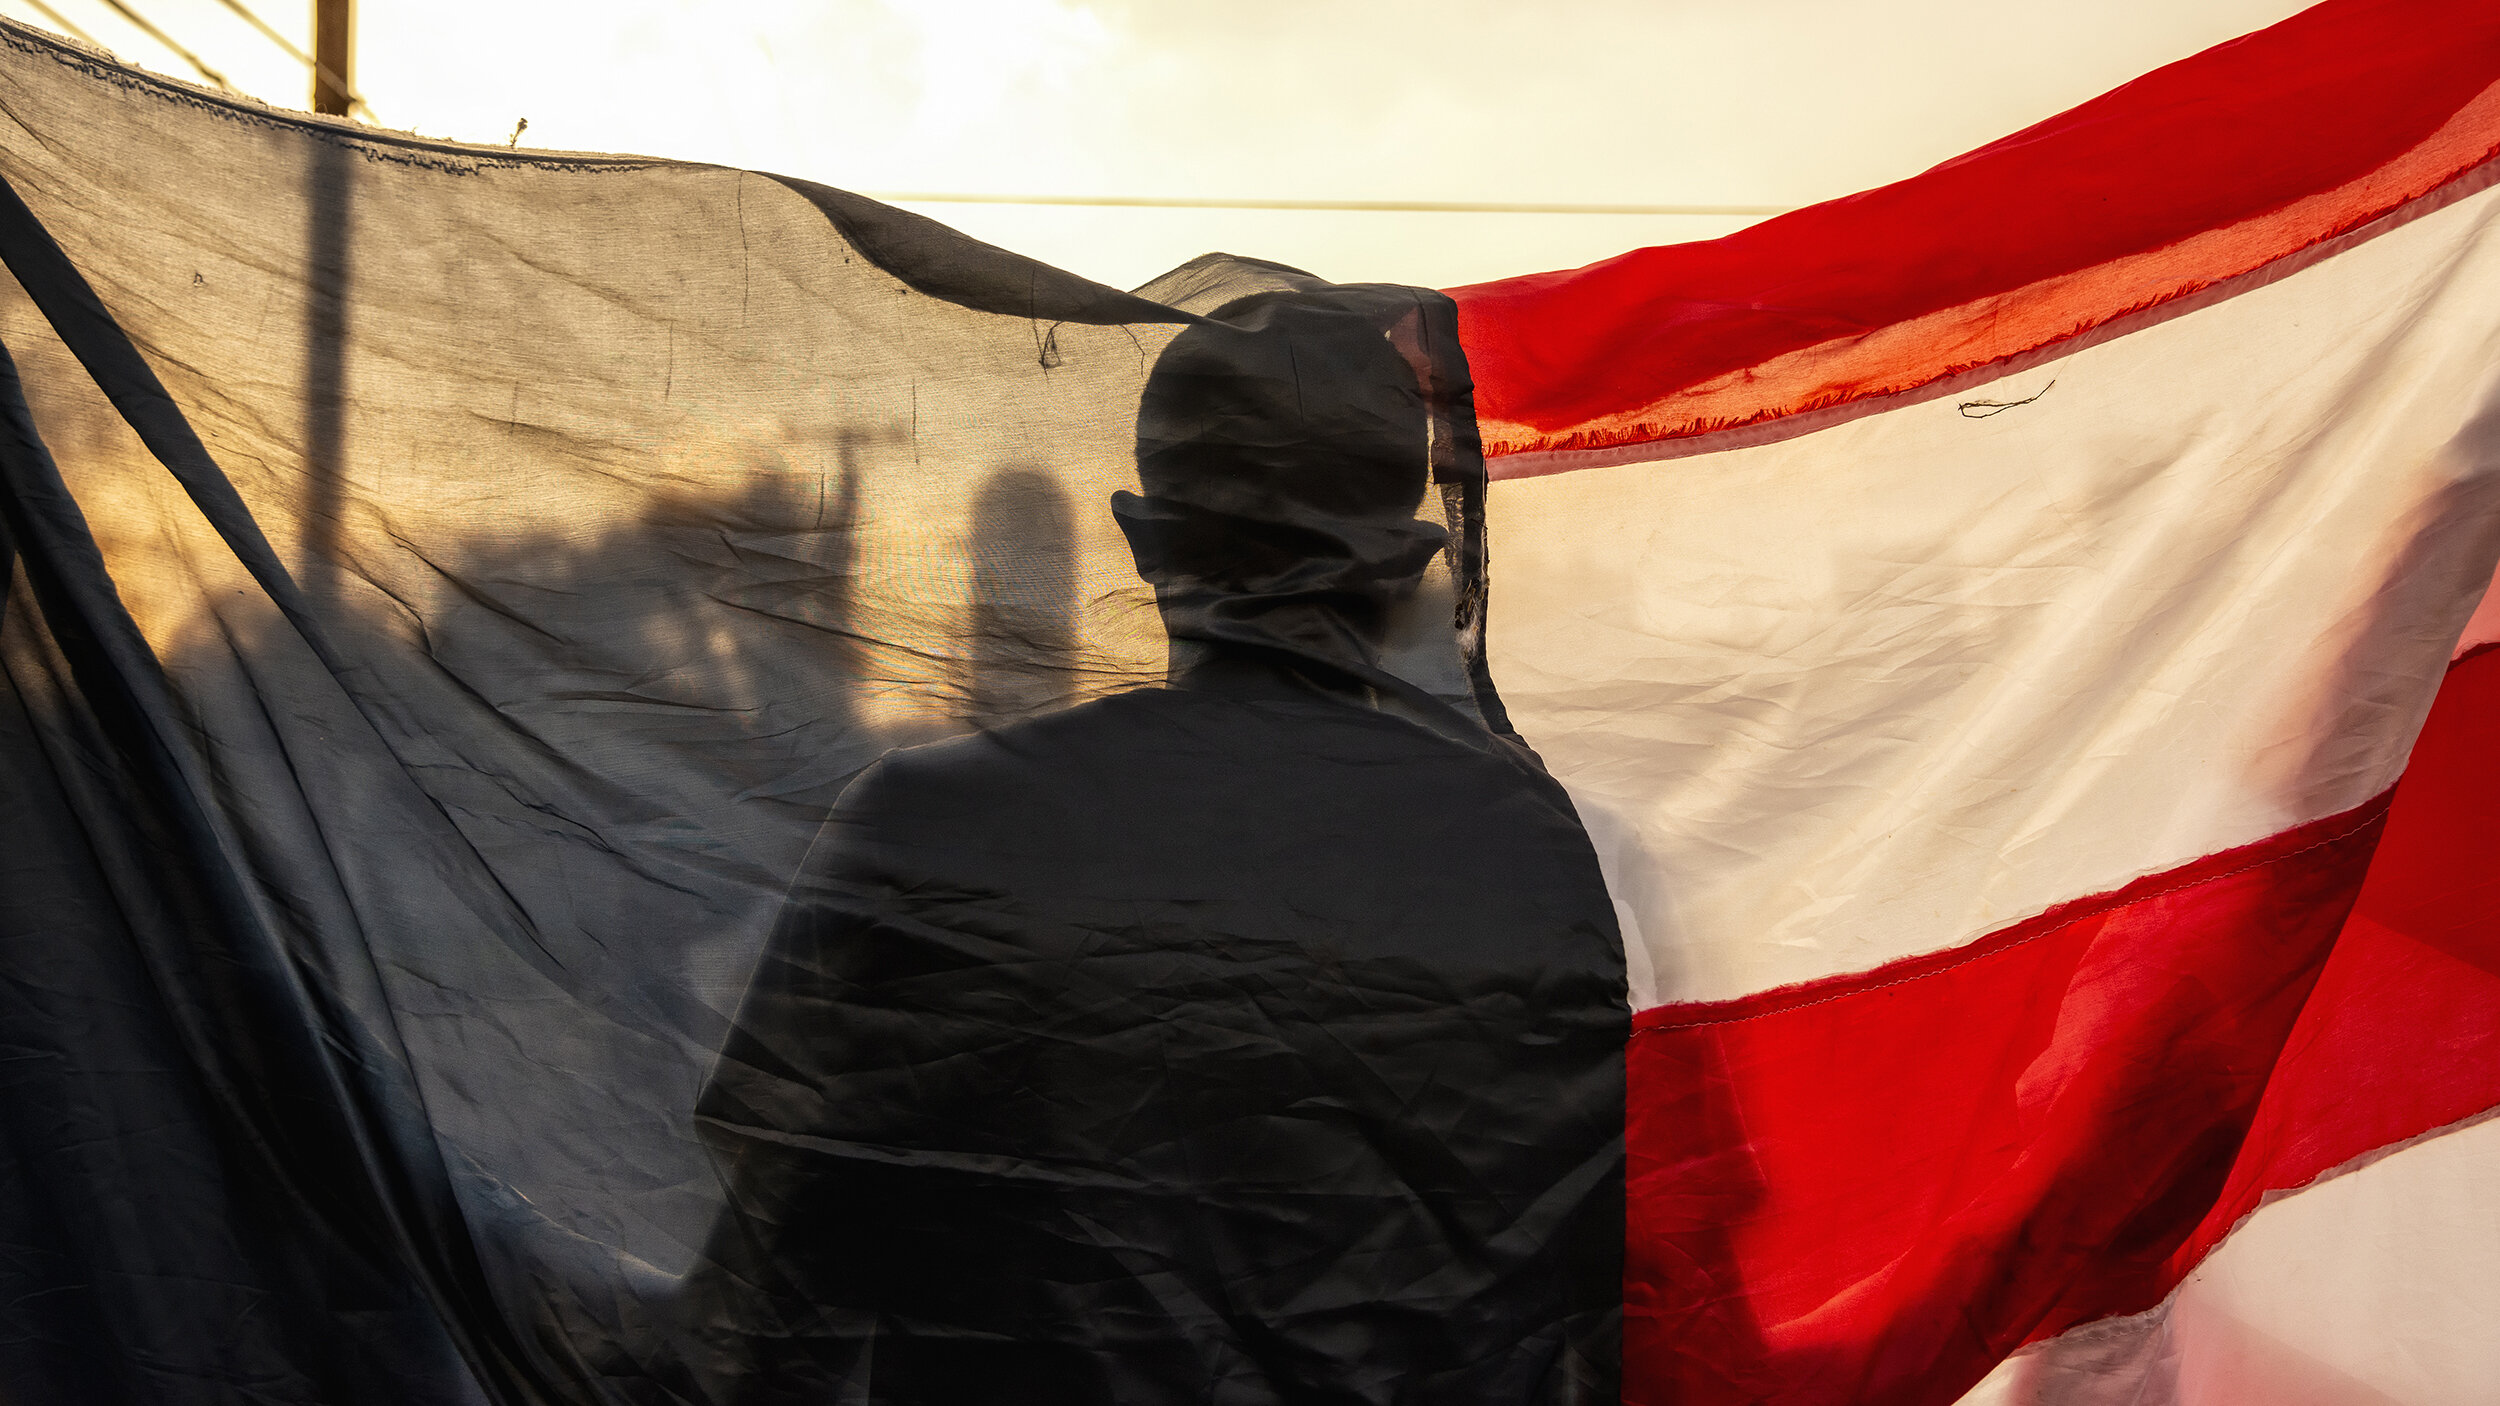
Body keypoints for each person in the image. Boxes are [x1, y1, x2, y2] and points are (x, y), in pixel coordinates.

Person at [682, 290, 1626, 1404]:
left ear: (1141, 536)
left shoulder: (930, 824)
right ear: (1412, 559)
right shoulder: (1524, 855)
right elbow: (1587, 1299)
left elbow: (761, 1304)